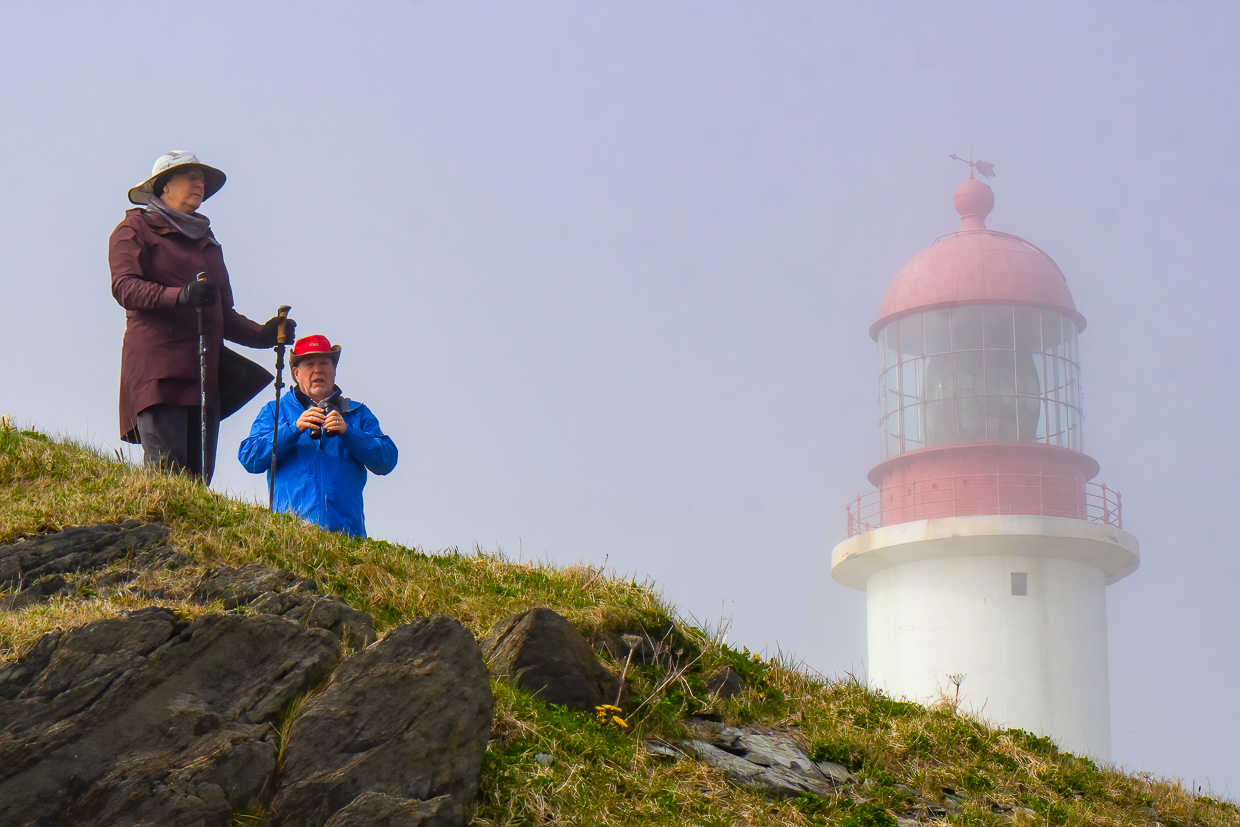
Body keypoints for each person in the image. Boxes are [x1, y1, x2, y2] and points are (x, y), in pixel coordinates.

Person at [109, 150, 294, 482]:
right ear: (163, 185)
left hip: (203, 377)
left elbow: (222, 315)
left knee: (198, 480)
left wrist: (264, 335)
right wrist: (179, 296)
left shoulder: (208, 242)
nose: (200, 184)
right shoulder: (135, 227)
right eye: (191, 177)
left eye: (203, 180)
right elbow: (125, 287)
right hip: (158, 371)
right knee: (167, 477)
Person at [238, 335, 398, 536]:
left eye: (324, 362)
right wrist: (293, 429)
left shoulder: (357, 413)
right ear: (296, 373)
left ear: (334, 370)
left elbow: (387, 460)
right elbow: (249, 458)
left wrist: (349, 432)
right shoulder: (275, 411)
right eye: (309, 364)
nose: (318, 370)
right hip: (290, 536)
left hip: (348, 538)